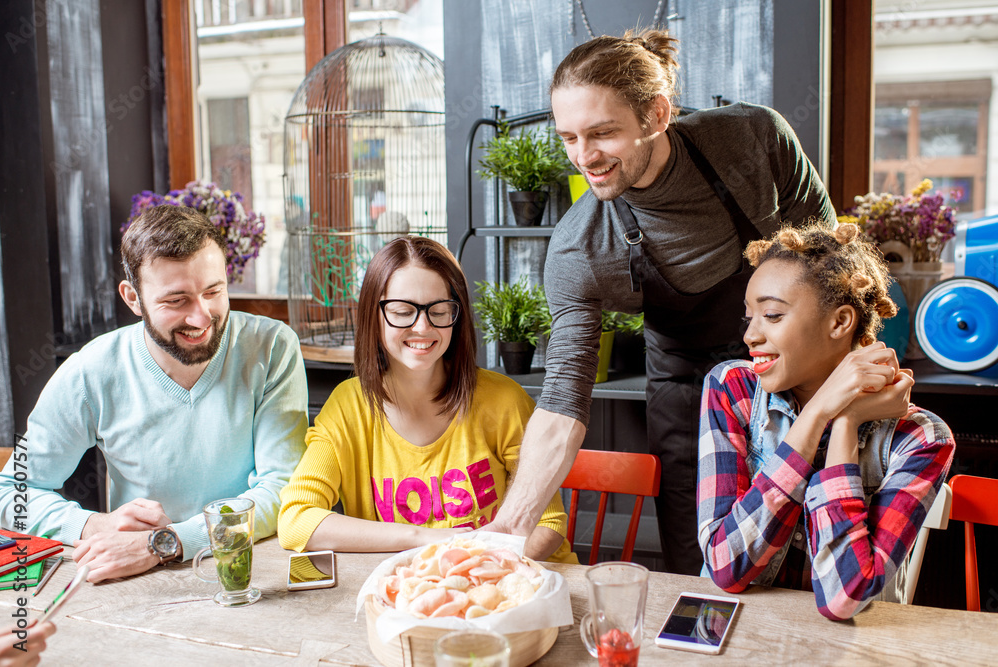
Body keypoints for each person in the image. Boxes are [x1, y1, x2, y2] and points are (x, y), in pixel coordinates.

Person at [489, 29, 835, 574]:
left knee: (814, 537)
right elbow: (562, 402)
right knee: (697, 549)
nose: (585, 157)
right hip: (684, 379)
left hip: (796, 358)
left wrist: (841, 381)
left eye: (603, 133)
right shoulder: (581, 248)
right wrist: (509, 528)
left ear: (655, 114)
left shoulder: (752, 138)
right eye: (570, 138)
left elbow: (827, 260)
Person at [0, 205, 307, 582]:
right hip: (138, 581)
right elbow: (11, 492)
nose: (201, 316)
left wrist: (168, 542)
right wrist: (93, 525)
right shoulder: (90, 371)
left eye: (213, 291)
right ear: (132, 298)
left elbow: (284, 489)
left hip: (253, 569)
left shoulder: (272, 346)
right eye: (176, 301)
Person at [697, 222, 955, 620]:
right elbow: (725, 568)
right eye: (749, 318)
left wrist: (847, 421)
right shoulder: (732, 389)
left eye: (771, 315)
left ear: (839, 322)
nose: (751, 335)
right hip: (741, 630)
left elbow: (845, 597)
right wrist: (818, 414)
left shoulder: (921, 438)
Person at [278, 236, 575, 562]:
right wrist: (428, 539)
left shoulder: (503, 400)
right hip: (417, 594)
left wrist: (472, 570)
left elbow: (549, 523)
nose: (422, 327)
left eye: (439, 310)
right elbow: (296, 521)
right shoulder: (348, 407)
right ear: (373, 315)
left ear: (456, 315)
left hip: (517, 584)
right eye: (403, 311)